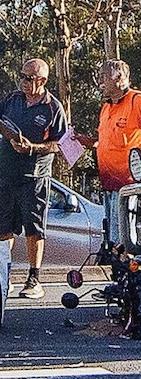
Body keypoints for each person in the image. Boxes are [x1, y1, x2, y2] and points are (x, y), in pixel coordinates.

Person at [75, 59, 141, 244]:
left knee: (127, 242)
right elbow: (106, 144)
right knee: (114, 240)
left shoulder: (136, 100)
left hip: (130, 188)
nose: (99, 82)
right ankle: (118, 269)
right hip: (109, 187)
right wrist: (85, 141)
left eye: (104, 77)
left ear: (119, 78)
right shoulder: (106, 107)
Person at [0, 58, 69, 299]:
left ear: (43, 80)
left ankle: (34, 279)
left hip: (35, 176)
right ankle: (3, 277)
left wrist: (32, 148)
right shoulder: (11, 99)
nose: (24, 82)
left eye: (30, 78)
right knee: (3, 229)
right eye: (22, 76)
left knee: (34, 228)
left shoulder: (53, 107)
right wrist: (8, 134)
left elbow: (61, 145)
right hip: (7, 173)